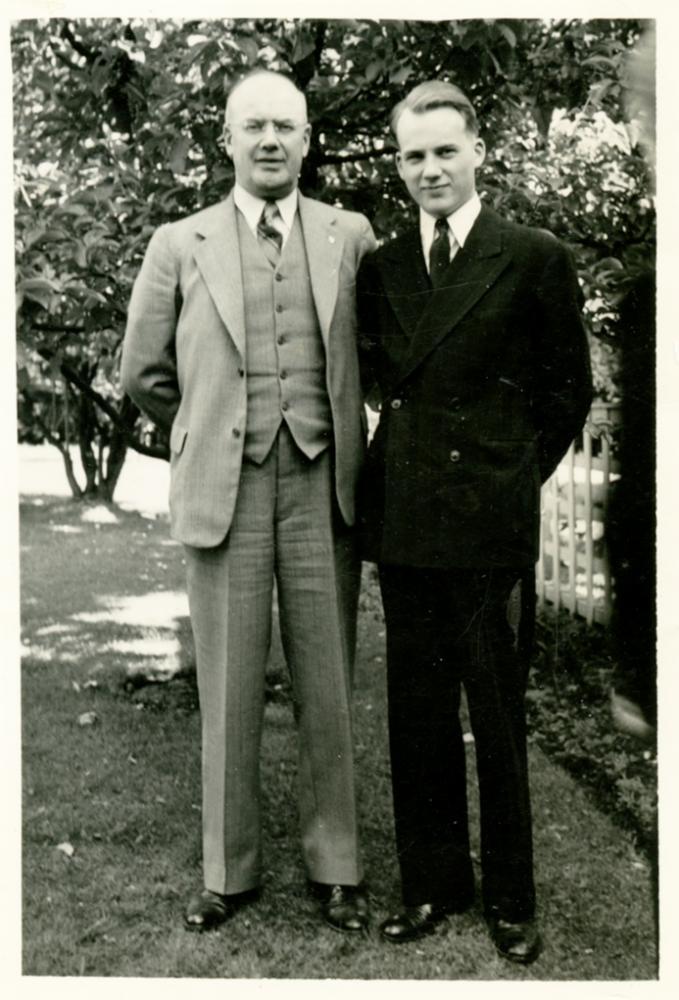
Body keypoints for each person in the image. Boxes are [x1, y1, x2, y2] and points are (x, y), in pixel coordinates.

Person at [121, 69, 376, 934]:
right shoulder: (178, 242)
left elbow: (372, 356)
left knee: (327, 685)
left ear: (308, 140)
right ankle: (227, 874)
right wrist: (209, 426)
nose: (270, 141)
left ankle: (336, 866)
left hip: (321, 481)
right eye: (253, 126)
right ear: (226, 138)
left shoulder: (352, 235)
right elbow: (144, 373)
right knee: (225, 687)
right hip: (223, 492)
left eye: (286, 127)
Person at [357, 80, 592, 963]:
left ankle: (510, 897)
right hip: (409, 528)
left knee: (496, 714)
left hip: (488, 532)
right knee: (415, 715)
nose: (428, 169)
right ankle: (432, 887)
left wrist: (509, 473)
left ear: (478, 151)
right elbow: (382, 382)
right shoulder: (381, 266)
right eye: (412, 155)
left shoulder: (530, 254)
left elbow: (568, 388)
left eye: (443, 151)